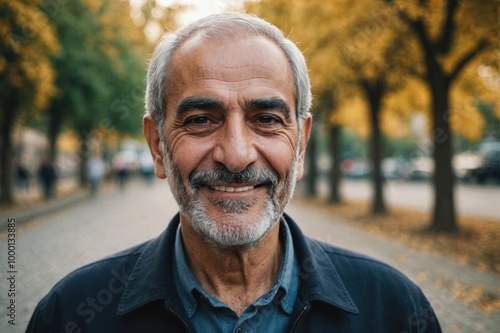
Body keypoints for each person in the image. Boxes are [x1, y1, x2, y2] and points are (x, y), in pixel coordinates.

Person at [27, 13, 442, 332]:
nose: (237, 156)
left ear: (300, 144)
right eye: (201, 120)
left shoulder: (394, 309)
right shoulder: (69, 315)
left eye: (266, 118)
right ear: (157, 145)